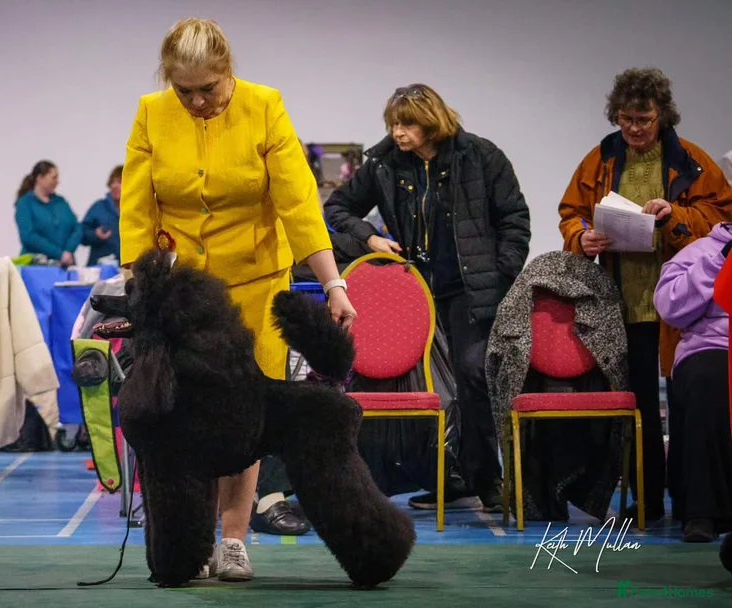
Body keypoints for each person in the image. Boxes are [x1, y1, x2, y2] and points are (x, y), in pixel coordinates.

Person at [120, 17, 357, 582]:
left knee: (244, 416)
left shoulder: (264, 106)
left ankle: (232, 539)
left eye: (209, 88)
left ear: (228, 69)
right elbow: (137, 210)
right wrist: (140, 290)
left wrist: (333, 285)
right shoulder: (151, 113)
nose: (197, 101)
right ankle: (190, 543)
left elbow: (299, 204)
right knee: (182, 419)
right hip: (183, 298)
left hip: (256, 287)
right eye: (184, 91)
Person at [324, 83, 531, 514]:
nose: (397, 133)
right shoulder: (384, 163)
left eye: (407, 124)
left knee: (472, 377)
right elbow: (337, 207)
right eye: (393, 124)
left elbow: (515, 220)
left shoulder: (481, 156)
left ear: (431, 123)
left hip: (470, 291)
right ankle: (443, 477)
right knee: (419, 388)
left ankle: (484, 479)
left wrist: (500, 275)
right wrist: (370, 237)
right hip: (414, 290)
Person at [558, 67, 732, 521]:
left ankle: (692, 502)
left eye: (644, 120)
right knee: (638, 405)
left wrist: (674, 215)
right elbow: (571, 212)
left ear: (662, 116)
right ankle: (648, 499)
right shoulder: (600, 159)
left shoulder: (691, 159)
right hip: (625, 300)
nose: (634, 129)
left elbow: (721, 218)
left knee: (686, 403)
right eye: (626, 119)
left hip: (685, 304)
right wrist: (582, 237)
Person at [653, 222, 732, 542]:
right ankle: (703, 512)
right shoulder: (699, 251)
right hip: (711, 346)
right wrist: (719, 261)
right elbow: (670, 307)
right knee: (708, 380)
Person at [14, 160, 81, 267]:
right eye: (54, 178)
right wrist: (59, 254)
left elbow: (77, 228)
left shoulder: (61, 202)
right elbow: (28, 236)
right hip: (37, 266)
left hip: (64, 265)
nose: (57, 182)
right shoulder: (25, 204)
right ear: (40, 178)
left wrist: (68, 251)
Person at [81, 165, 122, 266]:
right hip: (99, 269)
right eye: (112, 182)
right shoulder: (98, 207)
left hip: (126, 269)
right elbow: (81, 233)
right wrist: (95, 235)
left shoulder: (135, 210)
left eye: (119, 182)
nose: (114, 186)